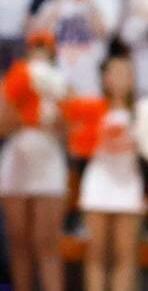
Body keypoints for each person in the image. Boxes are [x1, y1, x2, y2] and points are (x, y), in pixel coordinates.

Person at [0, 34, 66, 291]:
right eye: (35, 47)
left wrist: (51, 114)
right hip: (16, 158)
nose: (39, 52)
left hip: (48, 159)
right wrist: (29, 114)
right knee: (18, 241)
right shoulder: (13, 82)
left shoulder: (60, 83)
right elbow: (2, 124)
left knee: (46, 241)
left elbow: (69, 127)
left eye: (45, 48)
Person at [77, 54, 145, 291]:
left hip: (128, 183)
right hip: (98, 182)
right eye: (113, 72)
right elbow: (78, 145)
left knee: (125, 255)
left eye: (124, 73)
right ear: (104, 78)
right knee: (95, 253)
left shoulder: (142, 113)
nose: (118, 79)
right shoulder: (92, 109)